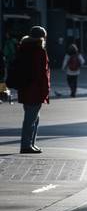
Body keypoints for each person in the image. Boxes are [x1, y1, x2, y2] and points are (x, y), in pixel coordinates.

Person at [13, 26, 50, 154]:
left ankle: (31, 144)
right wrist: (46, 91)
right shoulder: (39, 51)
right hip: (35, 89)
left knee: (33, 117)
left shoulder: (23, 48)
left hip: (24, 88)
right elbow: (42, 74)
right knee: (31, 119)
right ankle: (26, 145)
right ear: (41, 37)